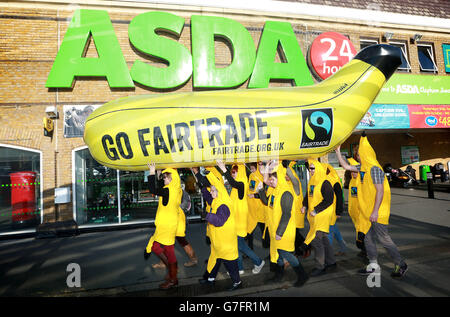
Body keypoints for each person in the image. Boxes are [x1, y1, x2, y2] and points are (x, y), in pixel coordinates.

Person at [335, 134, 408, 278]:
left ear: (366, 154)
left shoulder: (374, 169)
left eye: (359, 154)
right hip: (367, 212)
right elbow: (346, 166)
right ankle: (373, 265)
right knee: (367, 239)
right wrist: (337, 151)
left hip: (377, 212)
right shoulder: (363, 167)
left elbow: (380, 191)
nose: (358, 157)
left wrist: (375, 212)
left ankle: (401, 263)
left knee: (383, 239)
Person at [257, 160, 309, 287]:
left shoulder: (286, 192)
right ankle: (278, 276)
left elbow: (286, 214)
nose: (270, 182)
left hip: (284, 231)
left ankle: (302, 275)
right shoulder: (276, 190)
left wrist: (279, 232)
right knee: (279, 255)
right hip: (276, 230)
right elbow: (267, 202)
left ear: (279, 179)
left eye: (272, 180)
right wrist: (260, 191)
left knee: (286, 254)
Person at [193, 167, 243, 291]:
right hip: (218, 241)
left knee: (230, 264)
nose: (211, 192)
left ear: (219, 192)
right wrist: (201, 183)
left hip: (226, 243)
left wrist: (206, 215)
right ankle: (210, 279)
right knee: (214, 260)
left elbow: (220, 221)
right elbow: (207, 195)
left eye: (213, 191)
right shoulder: (216, 200)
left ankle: (237, 282)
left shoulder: (224, 205)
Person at [216, 160, 265, 275]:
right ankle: (239, 268)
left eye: (235, 172)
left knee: (241, 246)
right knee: (237, 246)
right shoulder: (238, 185)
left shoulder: (242, 183)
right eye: (232, 172)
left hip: (240, 222)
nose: (233, 174)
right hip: (235, 221)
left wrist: (224, 169)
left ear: (241, 172)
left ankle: (258, 262)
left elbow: (233, 183)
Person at [144, 163, 181, 290]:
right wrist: (159, 174)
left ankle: (173, 278)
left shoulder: (168, 190)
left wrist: (152, 172)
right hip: (167, 225)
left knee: (168, 251)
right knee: (159, 248)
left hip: (166, 226)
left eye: (165, 177)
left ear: (171, 179)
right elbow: (160, 188)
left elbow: (153, 190)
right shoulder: (174, 189)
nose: (163, 179)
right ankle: (172, 271)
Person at [300, 159, 336, 277]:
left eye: (313, 168)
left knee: (316, 241)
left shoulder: (325, 182)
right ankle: (331, 262)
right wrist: (304, 206)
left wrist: (316, 210)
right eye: (309, 168)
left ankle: (320, 266)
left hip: (322, 215)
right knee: (324, 239)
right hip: (314, 216)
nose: (310, 171)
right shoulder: (312, 181)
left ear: (318, 169)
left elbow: (329, 200)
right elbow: (308, 195)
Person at [346, 157, 367, 259]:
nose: (353, 174)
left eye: (355, 172)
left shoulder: (361, 182)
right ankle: (364, 251)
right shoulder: (351, 182)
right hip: (355, 214)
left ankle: (368, 255)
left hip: (362, 214)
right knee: (359, 235)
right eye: (352, 172)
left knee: (363, 235)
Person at [325, 163, 348, 256]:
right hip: (327, 210)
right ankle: (343, 247)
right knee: (333, 228)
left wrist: (338, 211)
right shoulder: (325, 179)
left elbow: (339, 197)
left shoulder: (334, 181)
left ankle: (328, 255)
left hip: (332, 211)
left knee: (329, 230)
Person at [246, 162, 270, 250]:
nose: (252, 170)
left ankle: (269, 248)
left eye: (253, 168)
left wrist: (255, 195)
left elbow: (265, 194)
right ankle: (250, 249)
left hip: (260, 209)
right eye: (251, 168)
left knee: (264, 229)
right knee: (250, 230)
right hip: (252, 208)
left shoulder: (263, 178)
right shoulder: (251, 176)